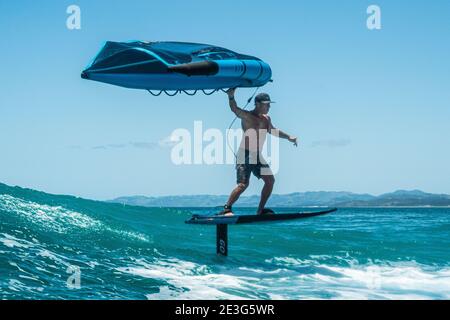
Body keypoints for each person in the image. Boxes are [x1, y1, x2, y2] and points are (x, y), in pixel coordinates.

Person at [219, 88, 298, 216]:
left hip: (257, 155)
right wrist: (231, 96)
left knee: (270, 181)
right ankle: (226, 209)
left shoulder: (266, 119)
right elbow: (234, 109)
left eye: (269, 104)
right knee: (243, 185)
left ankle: (260, 210)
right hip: (244, 154)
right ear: (258, 104)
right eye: (267, 104)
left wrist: (289, 137)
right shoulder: (247, 116)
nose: (269, 107)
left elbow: (273, 130)